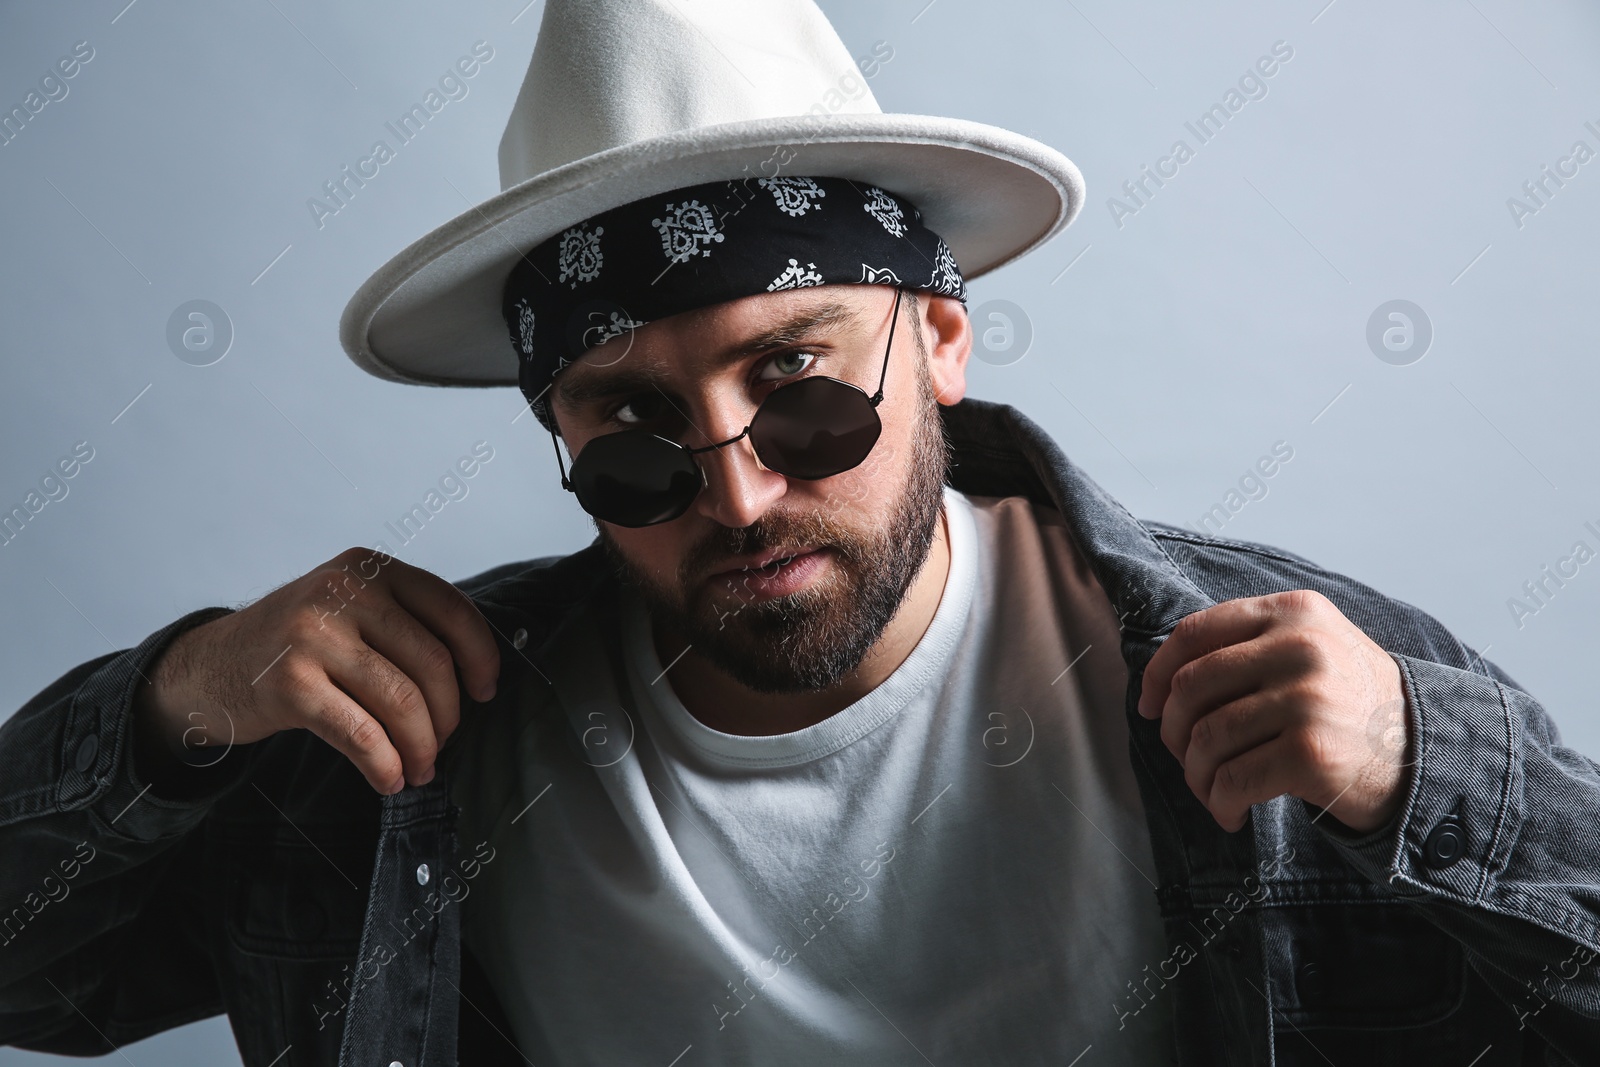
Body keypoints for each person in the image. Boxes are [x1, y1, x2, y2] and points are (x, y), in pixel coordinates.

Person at [3, 1, 1597, 1065]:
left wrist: (1427, 778)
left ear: (943, 342)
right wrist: (184, 703)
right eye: (631, 440)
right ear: (553, 432)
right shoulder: (404, 754)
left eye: (802, 389)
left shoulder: (1275, 672)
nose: (740, 496)